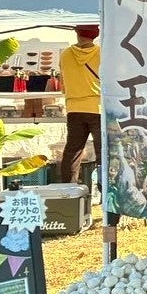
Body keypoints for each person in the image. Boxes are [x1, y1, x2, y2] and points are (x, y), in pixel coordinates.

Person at [59, 24, 101, 185]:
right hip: (97, 108)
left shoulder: (65, 54)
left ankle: (67, 188)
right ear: (95, 35)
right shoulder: (101, 53)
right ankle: (104, 189)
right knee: (102, 151)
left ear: (77, 34)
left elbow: (63, 85)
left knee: (73, 151)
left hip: (74, 109)